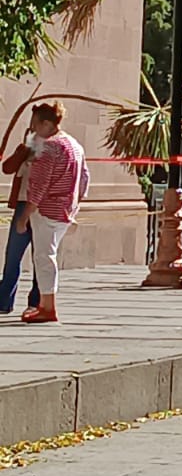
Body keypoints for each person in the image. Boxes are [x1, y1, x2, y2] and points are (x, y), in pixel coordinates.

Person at [18, 101, 88, 323]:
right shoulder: (75, 145)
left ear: (47, 123)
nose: (33, 130)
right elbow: (85, 178)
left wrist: (25, 216)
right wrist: (75, 204)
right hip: (65, 210)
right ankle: (45, 304)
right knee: (48, 255)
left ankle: (48, 306)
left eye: (35, 125)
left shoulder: (49, 148)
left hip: (48, 210)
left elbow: (39, 185)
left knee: (44, 257)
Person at [1, 132, 39, 314]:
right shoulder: (25, 151)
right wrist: (23, 150)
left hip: (42, 207)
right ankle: (4, 300)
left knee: (40, 257)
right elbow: (7, 168)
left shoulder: (54, 150)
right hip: (22, 204)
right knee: (12, 255)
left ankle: (36, 301)